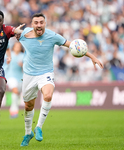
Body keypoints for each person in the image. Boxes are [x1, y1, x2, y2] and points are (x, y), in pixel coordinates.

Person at [17, 13, 104, 146]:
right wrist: (13, 31)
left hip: (45, 73)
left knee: (48, 95)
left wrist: (92, 56)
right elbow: (7, 33)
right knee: (28, 106)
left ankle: (39, 127)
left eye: (41, 22)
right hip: (29, 75)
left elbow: (73, 46)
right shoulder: (24, 34)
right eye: (36, 22)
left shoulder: (52, 36)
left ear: (45, 23)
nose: (39, 25)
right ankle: (28, 133)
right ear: (32, 24)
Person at [5, 41, 24, 118]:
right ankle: (14, 110)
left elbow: (27, 68)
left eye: (19, 47)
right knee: (15, 90)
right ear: (13, 47)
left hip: (20, 77)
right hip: (10, 76)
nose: (17, 48)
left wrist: (22, 65)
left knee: (17, 93)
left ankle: (13, 109)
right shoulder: (9, 55)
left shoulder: (23, 56)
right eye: (16, 46)